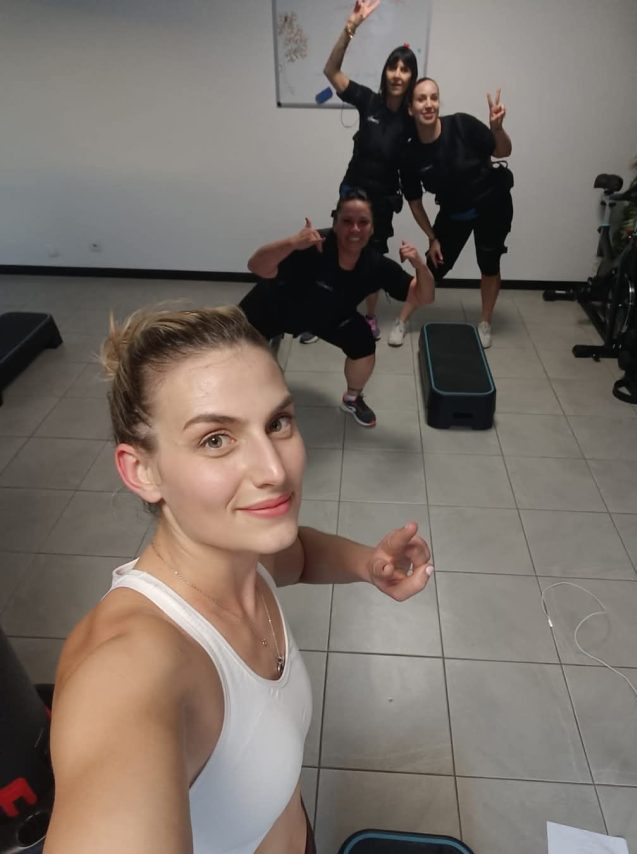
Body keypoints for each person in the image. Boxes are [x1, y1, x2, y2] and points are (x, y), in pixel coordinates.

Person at [44, 306, 434, 854]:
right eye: (216, 439)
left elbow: (297, 555)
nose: (274, 470)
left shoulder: (244, 553)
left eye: (277, 423)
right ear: (142, 471)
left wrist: (366, 564)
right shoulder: (128, 671)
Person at [240, 188, 434, 428]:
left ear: (372, 228)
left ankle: (352, 399)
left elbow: (423, 297)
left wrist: (420, 267)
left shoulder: (375, 264)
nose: (355, 229)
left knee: (363, 343)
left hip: (329, 315)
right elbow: (256, 266)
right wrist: (291, 243)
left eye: (363, 222)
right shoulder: (311, 246)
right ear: (335, 224)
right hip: (274, 307)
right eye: (347, 221)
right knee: (234, 353)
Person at [298, 0, 418, 345]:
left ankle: (369, 316)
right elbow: (330, 70)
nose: (397, 74)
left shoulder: (411, 121)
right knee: (335, 250)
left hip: (383, 201)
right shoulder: (368, 101)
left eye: (405, 69)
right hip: (352, 194)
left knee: (372, 259)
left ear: (411, 77)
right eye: (393, 67)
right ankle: (320, 313)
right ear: (385, 72)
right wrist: (351, 27)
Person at [391, 77, 513, 349]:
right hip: (454, 213)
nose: (429, 104)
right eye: (421, 99)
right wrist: (432, 237)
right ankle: (403, 319)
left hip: (492, 205)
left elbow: (503, 150)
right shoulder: (410, 153)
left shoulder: (461, 125)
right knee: (433, 267)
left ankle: (485, 322)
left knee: (489, 264)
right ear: (410, 108)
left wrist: (497, 129)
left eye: (433, 97)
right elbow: (414, 201)